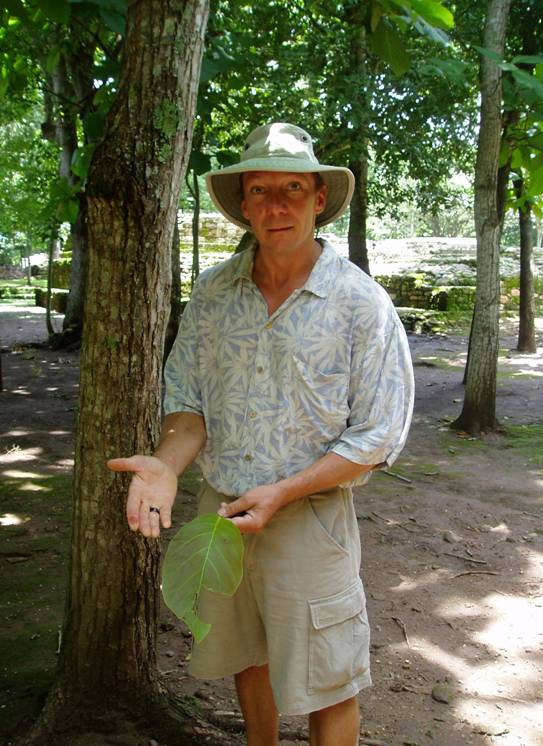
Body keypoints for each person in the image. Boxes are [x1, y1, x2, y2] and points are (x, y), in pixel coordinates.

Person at [108, 122, 414, 746]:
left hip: (310, 520)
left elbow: (378, 435)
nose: (277, 206)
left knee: (330, 680)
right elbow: (188, 403)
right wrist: (166, 464)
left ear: (319, 198)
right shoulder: (214, 292)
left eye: (293, 188)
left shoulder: (360, 303)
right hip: (220, 513)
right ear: (243, 204)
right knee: (247, 656)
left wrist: (284, 491)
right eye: (261, 191)